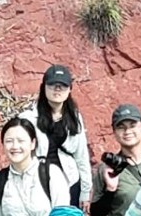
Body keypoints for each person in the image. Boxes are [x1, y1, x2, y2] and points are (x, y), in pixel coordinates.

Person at [20, 64, 91, 204]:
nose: (57, 89)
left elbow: (81, 156)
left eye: (63, 85)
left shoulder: (74, 117)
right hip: (39, 184)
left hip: (70, 181)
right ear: (44, 87)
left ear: (70, 89)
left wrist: (85, 191)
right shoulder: (28, 118)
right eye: (53, 84)